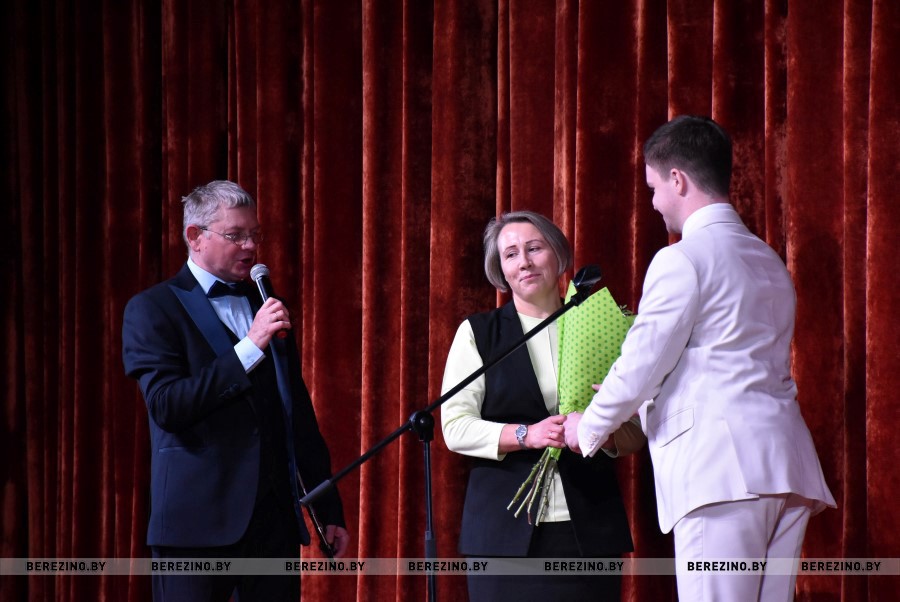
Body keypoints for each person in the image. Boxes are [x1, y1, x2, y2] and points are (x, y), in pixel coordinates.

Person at [565, 116, 836, 601]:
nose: (653, 203)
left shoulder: (682, 259)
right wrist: (644, 401)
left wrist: (588, 428)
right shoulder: (769, 260)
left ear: (678, 179)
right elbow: (720, 360)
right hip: (787, 466)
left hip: (721, 474)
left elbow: (640, 364)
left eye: (653, 188)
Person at [122, 180, 349, 601]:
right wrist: (249, 347)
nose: (250, 247)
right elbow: (168, 406)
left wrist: (326, 505)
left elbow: (295, 413)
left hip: (273, 526)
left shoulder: (265, 302)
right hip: (196, 527)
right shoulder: (153, 309)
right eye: (236, 235)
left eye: (255, 234)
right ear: (195, 237)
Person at [440, 211, 644, 602]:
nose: (525, 262)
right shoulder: (479, 333)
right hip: (503, 532)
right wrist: (526, 434)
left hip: (588, 529)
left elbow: (637, 430)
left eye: (534, 248)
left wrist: (598, 431)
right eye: (511, 254)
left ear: (558, 255)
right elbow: (455, 426)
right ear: (501, 270)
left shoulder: (601, 326)